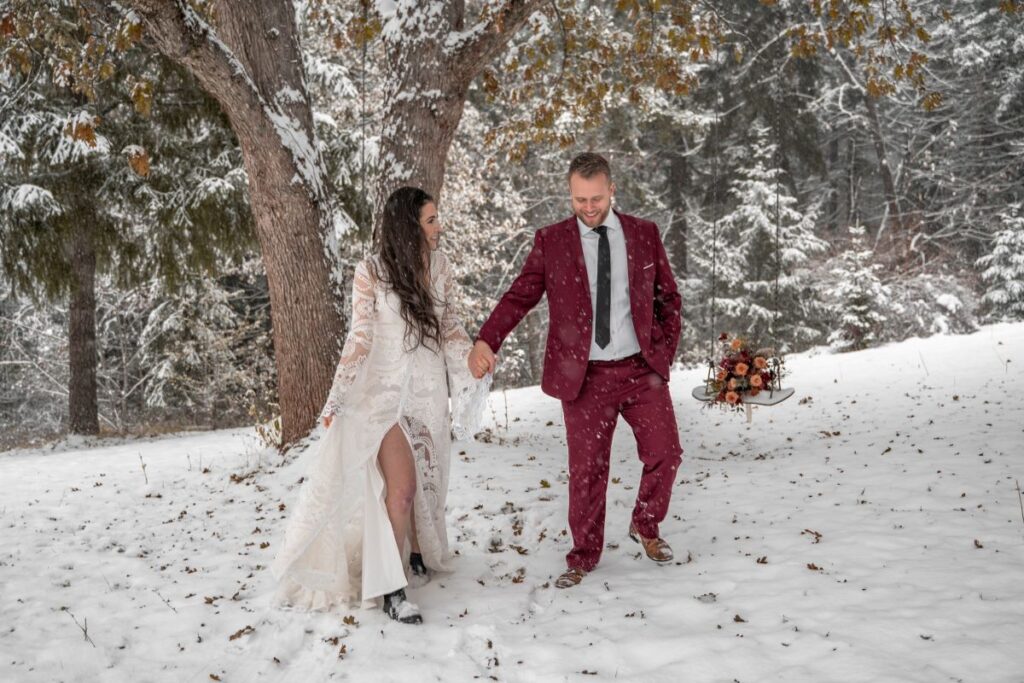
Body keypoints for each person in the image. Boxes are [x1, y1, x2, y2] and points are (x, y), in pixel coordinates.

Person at [272, 186, 489, 624]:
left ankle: (412, 554)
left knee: (428, 485)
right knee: (402, 488)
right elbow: (360, 338)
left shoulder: (440, 266)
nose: (438, 227)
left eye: (436, 218)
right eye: (430, 220)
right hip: (383, 396)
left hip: (428, 394)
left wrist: (471, 359)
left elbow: (449, 327)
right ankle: (391, 588)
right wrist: (338, 395)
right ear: (408, 226)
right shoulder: (370, 271)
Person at [468, 152, 683, 589]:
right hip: (584, 379)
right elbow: (519, 296)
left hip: (641, 371)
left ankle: (646, 524)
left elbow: (668, 298)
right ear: (569, 194)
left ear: (612, 190)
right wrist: (487, 339)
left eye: (597, 198)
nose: (588, 207)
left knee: (667, 451)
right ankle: (583, 555)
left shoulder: (643, 234)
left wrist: (662, 353)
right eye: (580, 199)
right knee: (587, 471)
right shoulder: (553, 242)